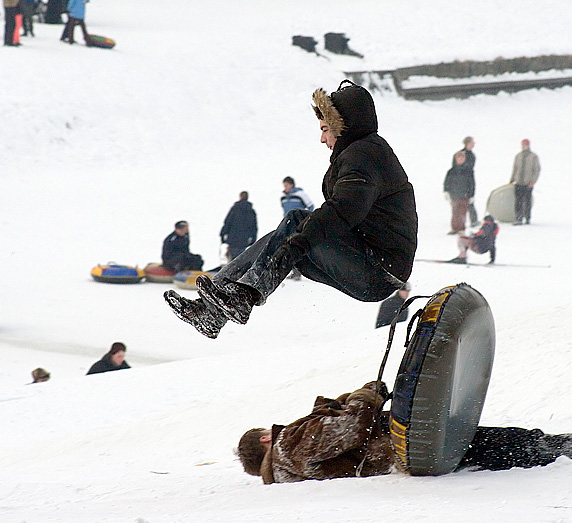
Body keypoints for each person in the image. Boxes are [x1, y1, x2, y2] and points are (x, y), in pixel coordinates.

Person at [164, 80, 418, 339]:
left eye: (325, 129)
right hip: (373, 266)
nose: (321, 139)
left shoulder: (363, 156)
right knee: (280, 236)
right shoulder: (362, 152)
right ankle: (211, 311)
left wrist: (301, 241)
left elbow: (343, 210)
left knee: (297, 224)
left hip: (378, 272)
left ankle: (245, 294)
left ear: (343, 128)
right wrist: (298, 241)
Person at [236, 381, 572, 484]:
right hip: (406, 447)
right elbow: (348, 428)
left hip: (406, 452)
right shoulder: (288, 445)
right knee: (515, 443)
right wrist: (366, 395)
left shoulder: (291, 467)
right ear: (263, 440)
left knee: (508, 444)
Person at [280, 176, 315, 280]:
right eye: (284, 186)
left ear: (291, 185)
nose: (285, 187)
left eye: (286, 185)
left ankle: (300, 271)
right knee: (288, 246)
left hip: (299, 224)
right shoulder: (283, 197)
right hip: (288, 224)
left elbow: (311, 206)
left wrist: (306, 219)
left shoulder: (300, 194)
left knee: (297, 245)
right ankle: (293, 270)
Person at [219, 191, 258, 262]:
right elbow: (254, 227)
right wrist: (253, 238)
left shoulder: (234, 209)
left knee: (232, 259)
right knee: (241, 259)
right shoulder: (251, 211)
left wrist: (222, 234)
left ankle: (231, 271)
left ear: (240, 197)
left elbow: (227, 222)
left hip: (232, 238)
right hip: (244, 240)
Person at [510, 138, 541, 225]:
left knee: (527, 201)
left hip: (528, 183)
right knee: (518, 202)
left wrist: (533, 181)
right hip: (518, 182)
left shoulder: (533, 157)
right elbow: (515, 168)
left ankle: (527, 218)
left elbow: (536, 170)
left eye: (525, 145)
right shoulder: (518, 156)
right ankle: (518, 218)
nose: (523, 146)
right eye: (522, 145)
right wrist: (512, 179)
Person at [443, 150, 474, 235]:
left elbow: (472, 184)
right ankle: (454, 228)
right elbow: (447, 182)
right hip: (454, 195)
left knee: (462, 212)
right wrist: (446, 191)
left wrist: (471, 195)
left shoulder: (468, 171)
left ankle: (461, 229)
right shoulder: (451, 171)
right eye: (459, 158)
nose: (460, 159)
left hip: (465, 195)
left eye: (462, 158)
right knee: (455, 212)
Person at [460, 136, 480, 227]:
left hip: (469, 180)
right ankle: (460, 222)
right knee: (460, 202)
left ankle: (473, 220)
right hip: (461, 181)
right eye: (472, 142)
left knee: (470, 201)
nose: (473, 144)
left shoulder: (472, 155)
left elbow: (470, 168)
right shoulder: (461, 154)